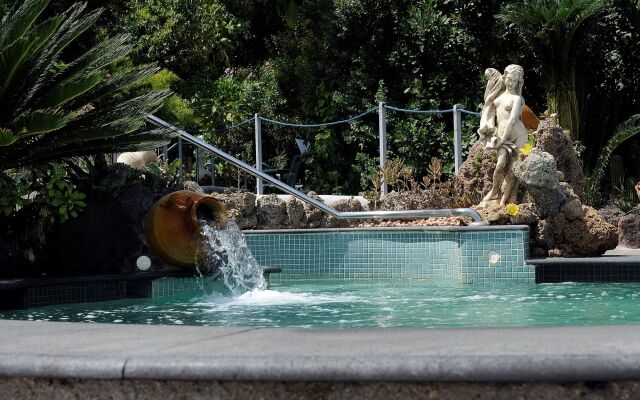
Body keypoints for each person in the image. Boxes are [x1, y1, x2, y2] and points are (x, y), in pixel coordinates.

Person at [481, 64, 528, 206]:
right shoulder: (498, 97)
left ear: (519, 82)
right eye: (508, 78)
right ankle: (494, 191)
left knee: (514, 170)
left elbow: (513, 120)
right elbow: (487, 104)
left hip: (518, 136)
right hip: (502, 137)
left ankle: (509, 199)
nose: (510, 82)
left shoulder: (516, 99)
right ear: (504, 77)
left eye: (514, 80)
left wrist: (502, 140)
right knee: (500, 164)